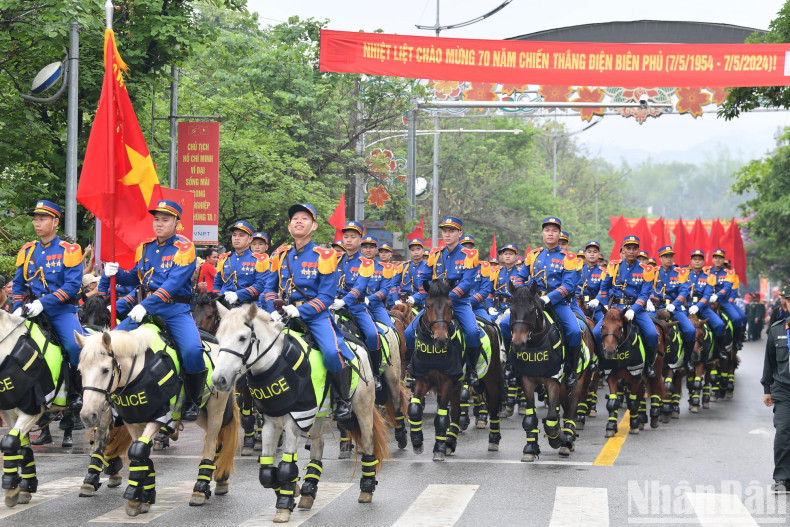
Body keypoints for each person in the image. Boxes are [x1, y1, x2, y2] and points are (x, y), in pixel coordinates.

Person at [104, 199, 208, 408]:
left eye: (165, 220)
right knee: (110, 343)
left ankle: (192, 400)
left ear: (177, 223)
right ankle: (113, 395)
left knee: (192, 350)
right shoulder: (146, 248)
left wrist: (145, 305)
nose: (159, 223)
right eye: (157, 219)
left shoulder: (185, 249)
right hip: (143, 309)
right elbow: (135, 277)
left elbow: (172, 284)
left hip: (174, 310)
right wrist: (115, 273)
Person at [262, 204, 355, 421]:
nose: (298, 221)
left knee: (331, 352)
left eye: (304, 218)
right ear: (289, 226)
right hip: (282, 314)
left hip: (314, 316)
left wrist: (300, 310)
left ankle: (342, 399)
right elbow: (269, 288)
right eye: (295, 218)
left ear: (314, 226)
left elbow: (326, 297)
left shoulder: (325, 256)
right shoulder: (281, 255)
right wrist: (272, 310)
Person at [13, 199, 84, 409]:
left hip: (61, 311)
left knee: (75, 346)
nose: (37, 223)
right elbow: (18, 285)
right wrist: (17, 307)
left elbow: (72, 285)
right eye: (35, 219)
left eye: (42, 219)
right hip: (31, 311)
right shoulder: (28, 250)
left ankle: (76, 393)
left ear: (55, 222)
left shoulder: (69, 250)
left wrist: (44, 302)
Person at [406, 216, 483, 386]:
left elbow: (467, 282)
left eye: (451, 231)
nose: (447, 234)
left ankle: (471, 370)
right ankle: (412, 368)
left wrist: (448, 298)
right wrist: (427, 297)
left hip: (459, 302)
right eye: (445, 231)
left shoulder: (469, 254)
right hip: (436, 305)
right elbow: (424, 278)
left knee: (472, 333)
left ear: (460, 233)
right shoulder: (435, 254)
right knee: (408, 333)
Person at [505, 217, 581, 386]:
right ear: (542, 233)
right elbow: (519, 278)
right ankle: (511, 362)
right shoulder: (533, 255)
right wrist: (522, 294)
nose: (550, 233)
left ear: (559, 234)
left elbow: (568, 285)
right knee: (504, 324)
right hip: (532, 302)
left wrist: (549, 298)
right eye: (547, 230)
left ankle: (571, 370)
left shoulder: (568, 257)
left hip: (557, 303)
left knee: (575, 331)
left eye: (554, 231)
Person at [591, 235, 659, 378]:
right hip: (615, 309)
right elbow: (604, 287)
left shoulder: (646, 269)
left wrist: (633, 310)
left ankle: (648, 365)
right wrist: (604, 305)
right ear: (623, 250)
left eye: (634, 248)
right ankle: (601, 362)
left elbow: (644, 294)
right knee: (596, 333)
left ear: (638, 250)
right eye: (628, 248)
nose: (631, 251)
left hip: (636, 309)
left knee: (652, 335)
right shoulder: (614, 266)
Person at [334, 221, 382, 391]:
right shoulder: (334, 260)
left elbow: (360, 287)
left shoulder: (365, 263)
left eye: (353, 237)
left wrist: (344, 301)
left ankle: (375, 374)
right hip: (333, 306)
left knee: (373, 335)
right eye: (346, 236)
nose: (348, 240)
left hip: (356, 307)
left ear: (360, 240)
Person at [762, 283, 790, 492]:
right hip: (783, 388)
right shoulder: (777, 329)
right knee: (783, 431)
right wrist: (767, 389)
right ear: (785, 303)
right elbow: (769, 362)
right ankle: (782, 478)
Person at [650, 245, 695, 367]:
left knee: (690, 330)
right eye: (666, 257)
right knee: (647, 329)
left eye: (671, 256)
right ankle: (648, 361)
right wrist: (650, 300)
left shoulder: (680, 272)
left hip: (674, 308)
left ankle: (688, 359)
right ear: (660, 258)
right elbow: (649, 288)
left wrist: (674, 305)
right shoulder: (654, 272)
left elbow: (684, 291)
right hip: (657, 308)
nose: (669, 259)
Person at [214, 221, 269, 305]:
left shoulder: (259, 260)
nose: (236, 238)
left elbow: (260, 285)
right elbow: (217, 283)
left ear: (250, 239)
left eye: (241, 235)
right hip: (224, 306)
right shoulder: (224, 259)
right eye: (234, 235)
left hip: (248, 306)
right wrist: (219, 298)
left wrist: (238, 295)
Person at [708, 249, 745, 348]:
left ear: (723, 260)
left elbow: (728, 287)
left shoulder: (729, 273)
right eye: (716, 258)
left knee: (736, 318)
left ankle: (736, 341)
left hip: (723, 301)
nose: (718, 260)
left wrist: (717, 296)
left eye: (720, 258)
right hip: (707, 301)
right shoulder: (706, 271)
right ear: (712, 259)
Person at [460, 235, 493, 322]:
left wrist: (469, 301)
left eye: (470, 248)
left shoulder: (483, 267)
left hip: (476, 308)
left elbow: (485, 290)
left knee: (490, 325)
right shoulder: (454, 267)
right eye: (465, 248)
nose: (468, 250)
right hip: (457, 306)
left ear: (474, 249)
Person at [392, 238, 429, 309]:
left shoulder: (428, 267)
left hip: (421, 303)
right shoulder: (404, 266)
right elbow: (394, 284)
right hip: (403, 302)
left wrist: (414, 298)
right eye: (413, 250)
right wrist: (396, 299)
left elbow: (429, 287)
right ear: (410, 252)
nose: (416, 252)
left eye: (418, 249)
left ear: (423, 251)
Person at [579, 241, 606, 324]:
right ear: (585, 254)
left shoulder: (603, 272)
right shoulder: (578, 270)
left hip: (596, 308)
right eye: (589, 252)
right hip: (579, 306)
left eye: (595, 252)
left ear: (599, 254)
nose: (592, 254)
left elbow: (604, 290)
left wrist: (597, 299)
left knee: (604, 325)